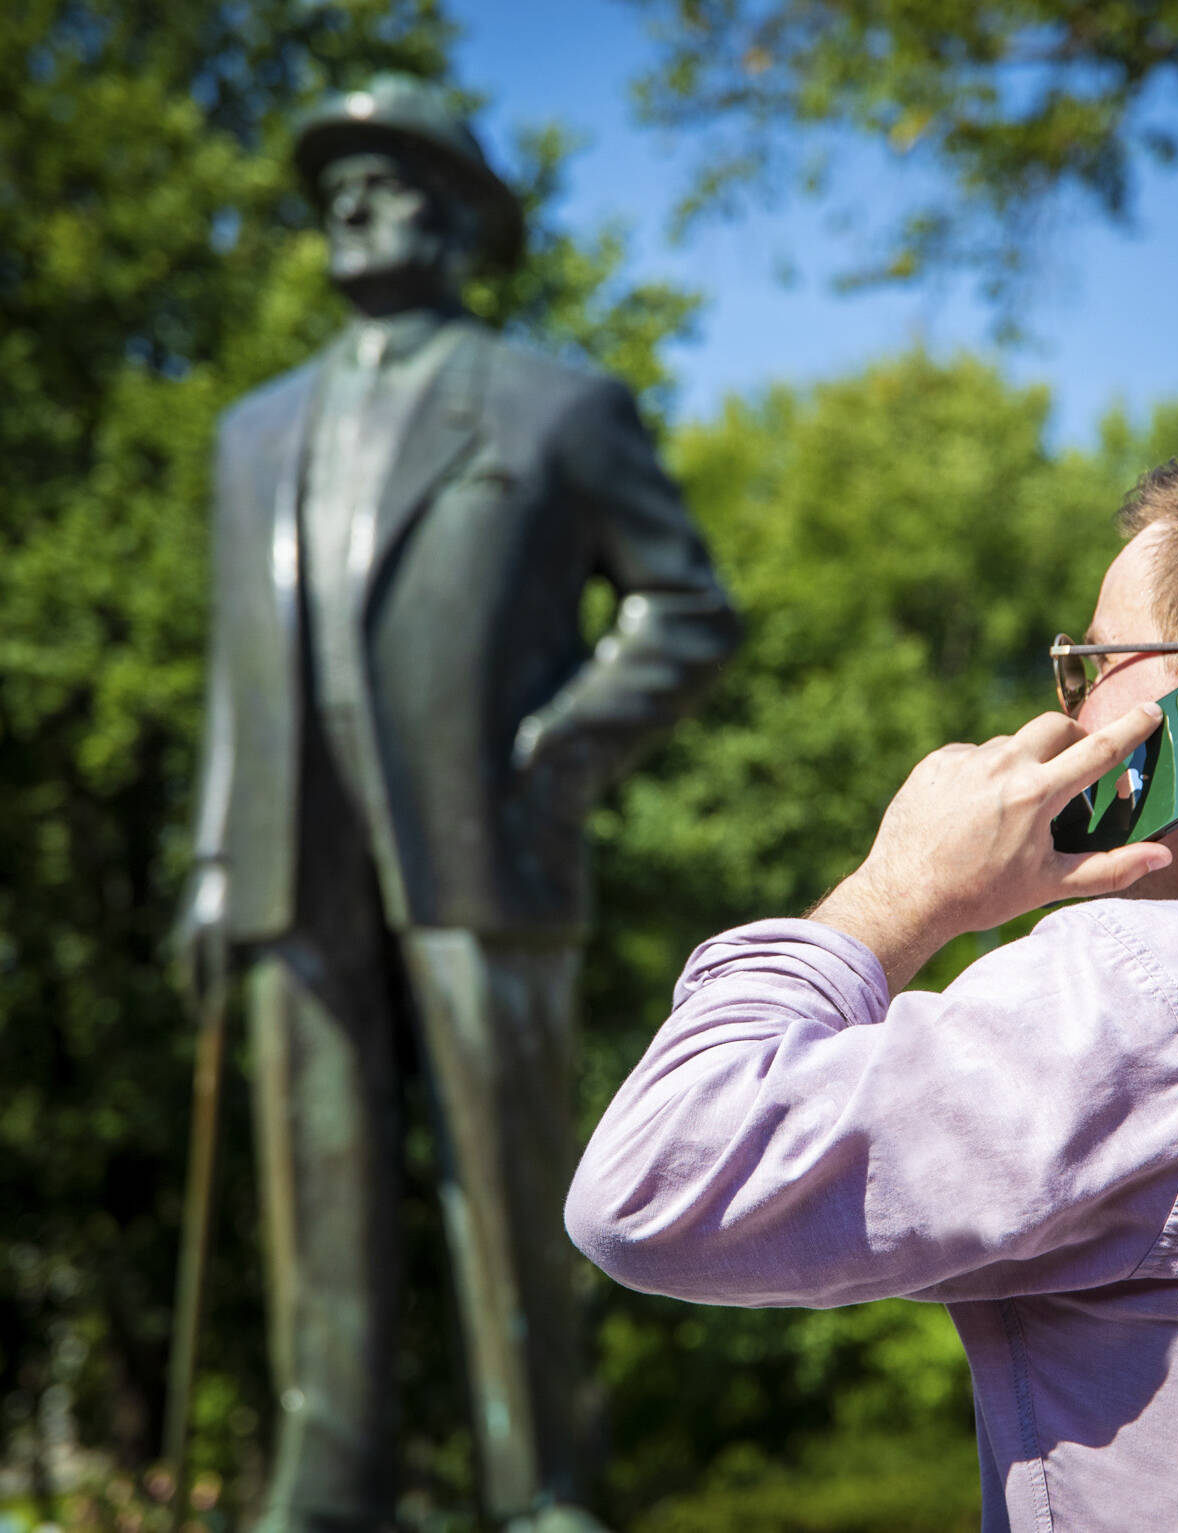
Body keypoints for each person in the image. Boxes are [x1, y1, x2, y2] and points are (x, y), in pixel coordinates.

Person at [565, 445, 1178, 1531]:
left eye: (1095, 666)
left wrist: (900, 891)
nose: (1071, 721)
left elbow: (651, 1186)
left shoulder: (1147, 994)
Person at [175, 75, 739, 1533]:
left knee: (508, 1190)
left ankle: (540, 1486)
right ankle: (326, 1479)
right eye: (335, 181)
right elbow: (245, 669)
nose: (354, 200)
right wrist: (210, 863)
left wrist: (558, 748)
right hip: (294, 861)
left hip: (485, 847)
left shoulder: (553, 405)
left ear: (459, 212)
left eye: (392, 172)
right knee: (315, 1192)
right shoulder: (256, 432)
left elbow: (685, 606)